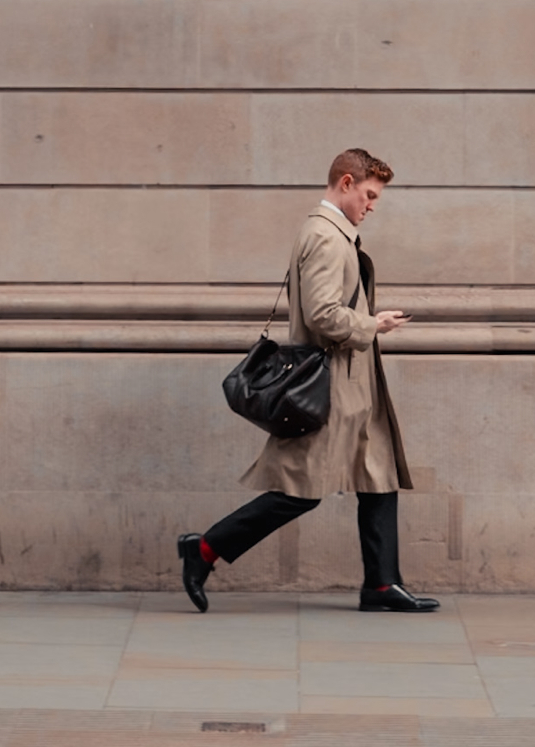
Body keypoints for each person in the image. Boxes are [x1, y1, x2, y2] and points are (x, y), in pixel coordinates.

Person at [177, 148, 439, 614]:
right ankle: (204, 549)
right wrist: (371, 325)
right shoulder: (324, 236)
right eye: (369, 194)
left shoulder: (335, 234)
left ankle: (381, 584)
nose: (372, 205)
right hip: (330, 388)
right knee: (298, 491)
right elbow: (321, 315)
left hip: (356, 387)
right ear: (345, 183)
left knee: (378, 476)